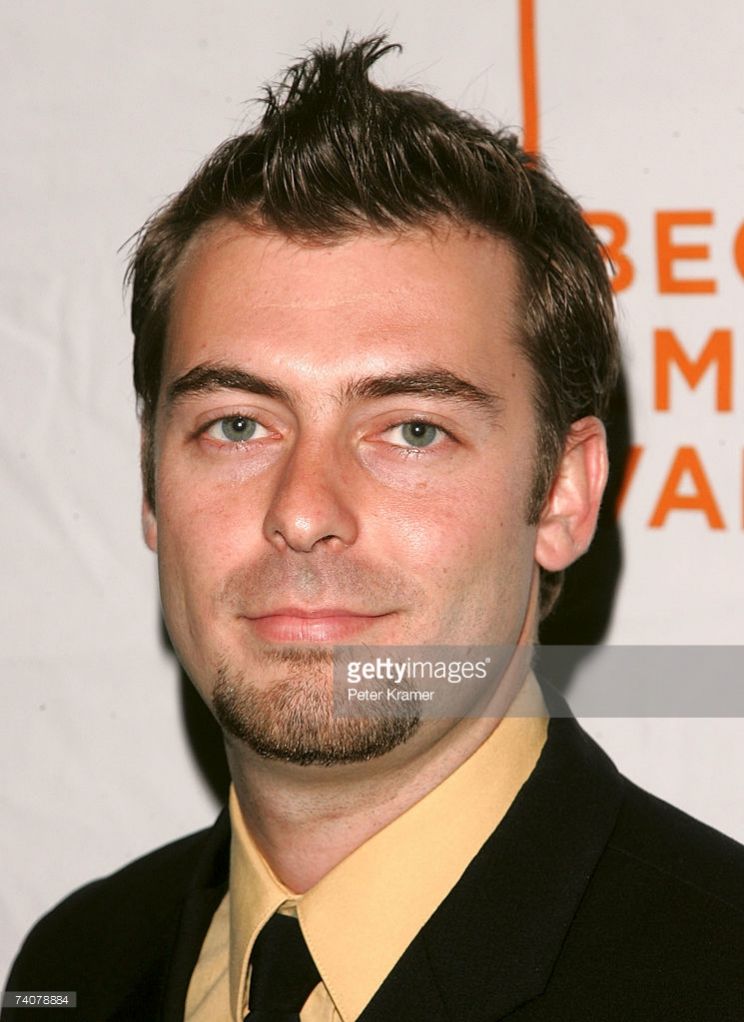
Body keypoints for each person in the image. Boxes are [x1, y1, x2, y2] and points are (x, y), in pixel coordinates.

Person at [5, 35, 744, 1022]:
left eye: (411, 430)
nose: (303, 510)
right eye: (237, 424)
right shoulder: (76, 965)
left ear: (564, 493)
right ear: (150, 481)